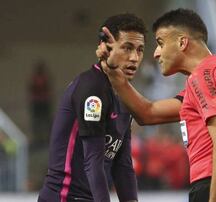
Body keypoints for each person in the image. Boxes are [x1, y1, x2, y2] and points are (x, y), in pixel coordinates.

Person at [98, 8, 216, 202]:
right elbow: (148, 113)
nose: (156, 53)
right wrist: (115, 74)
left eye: (160, 43)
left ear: (182, 42)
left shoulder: (201, 78)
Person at [38, 13, 146, 202]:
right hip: (65, 197)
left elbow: (123, 164)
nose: (134, 57)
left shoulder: (125, 94)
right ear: (105, 48)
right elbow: (93, 162)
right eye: (127, 48)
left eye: (139, 50)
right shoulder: (93, 90)